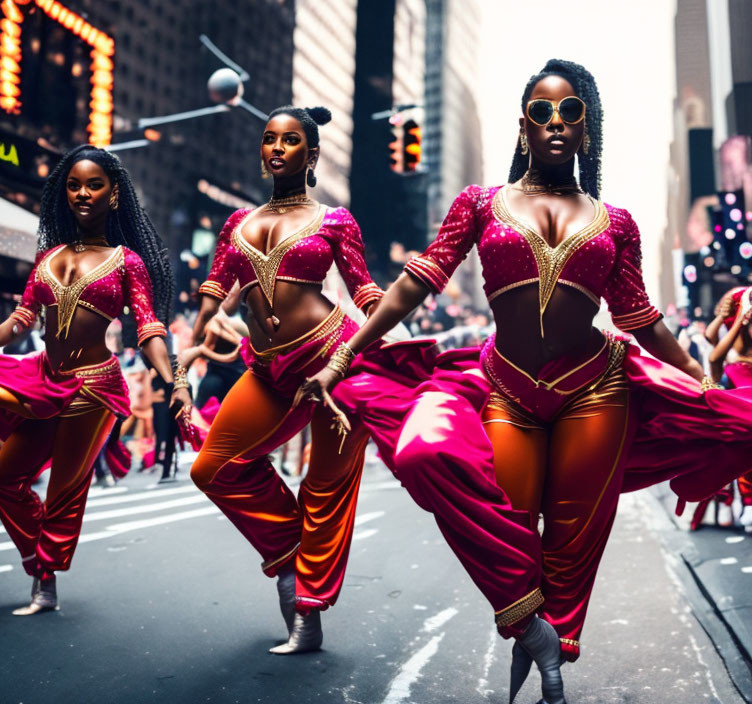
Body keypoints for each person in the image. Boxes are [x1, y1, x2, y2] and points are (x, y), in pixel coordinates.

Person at [301, 59, 752, 704]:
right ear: (523, 127)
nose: (557, 124)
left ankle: (554, 672)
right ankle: (531, 632)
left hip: (596, 390)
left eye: (572, 113)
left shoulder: (616, 221)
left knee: (571, 544)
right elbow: (412, 286)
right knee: (451, 475)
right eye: (542, 112)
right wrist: (343, 359)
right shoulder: (480, 204)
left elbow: (641, 320)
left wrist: (699, 381)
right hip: (504, 387)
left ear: (588, 131)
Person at [172, 106, 385, 655]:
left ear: (312, 155)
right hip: (266, 369)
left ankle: (306, 616)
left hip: (332, 363)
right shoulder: (236, 223)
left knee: (326, 490)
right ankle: (292, 553)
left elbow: (363, 292)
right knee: (212, 467)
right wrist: (189, 354)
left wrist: (383, 340)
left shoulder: (335, 220)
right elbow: (215, 289)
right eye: (270, 139)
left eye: (292, 141)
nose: (279, 148)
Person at [0, 144, 175, 615]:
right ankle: (36, 557)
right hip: (46, 380)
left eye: (94, 185)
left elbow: (148, 327)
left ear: (113, 195)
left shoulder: (128, 261)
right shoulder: (46, 257)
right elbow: (21, 320)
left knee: (64, 491)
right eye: (73, 185)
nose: (82, 194)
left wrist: (173, 379)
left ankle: (44, 582)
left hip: (95, 387)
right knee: (4, 478)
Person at [706, 287, 752, 530]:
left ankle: (747, 504)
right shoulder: (732, 350)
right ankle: (729, 502)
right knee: (725, 457)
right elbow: (713, 355)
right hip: (731, 418)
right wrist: (732, 317)